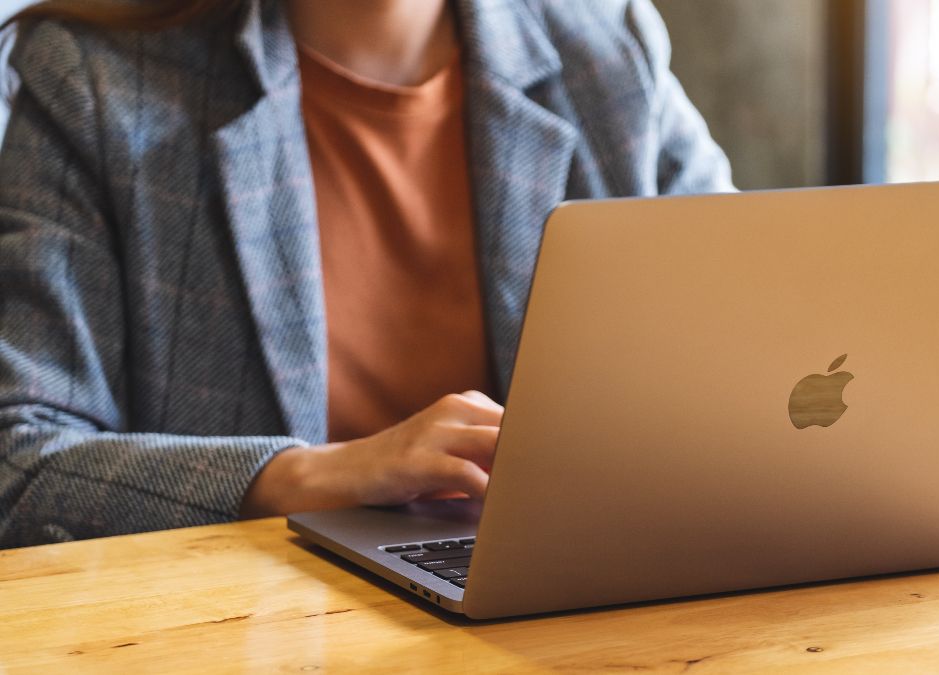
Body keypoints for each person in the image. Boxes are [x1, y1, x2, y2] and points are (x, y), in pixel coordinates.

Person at [0, 0, 732, 548]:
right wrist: (317, 475)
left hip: (559, 615)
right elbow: (18, 457)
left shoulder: (606, 48)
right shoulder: (93, 80)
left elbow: (755, 346)